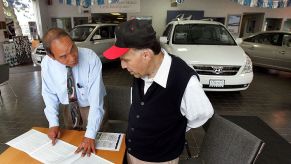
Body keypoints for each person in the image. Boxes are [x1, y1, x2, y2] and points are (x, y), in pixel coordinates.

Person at [103, 19, 214, 163]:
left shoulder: (185, 80)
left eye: (126, 59)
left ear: (146, 55)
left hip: (159, 159)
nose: (122, 66)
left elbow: (203, 114)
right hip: (132, 151)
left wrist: (174, 130)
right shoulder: (140, 70)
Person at [41, 28, 106, 157]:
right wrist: (53, 123)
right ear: (51, 56)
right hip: (68, 108)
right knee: (72, 142)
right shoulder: (47, 64)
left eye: (72, 49)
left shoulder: (90, 58)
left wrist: (90, 135)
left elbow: (96, 100)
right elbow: (49, 94)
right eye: (63, 56)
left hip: (92, 107)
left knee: (96, 147)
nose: (72, 58)